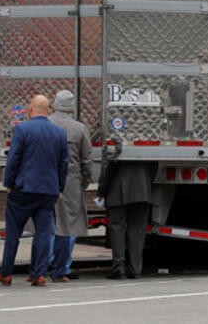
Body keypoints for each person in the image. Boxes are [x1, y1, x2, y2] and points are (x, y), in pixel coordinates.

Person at [0, 95, 68, 287]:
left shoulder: (22, 129)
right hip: (48, 191)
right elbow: (63, 164)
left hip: (23, 190)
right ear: (48, 109)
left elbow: (14, 158)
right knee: (43, 233)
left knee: (13, 232)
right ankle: (38, 274)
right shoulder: (59, 133)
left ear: (30, 109)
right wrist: (59, 187)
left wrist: (8, 183)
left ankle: (6, 273)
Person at [48, 90, 93, 282]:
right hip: (71, 181)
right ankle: (63, 265)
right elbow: (87, 160)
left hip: (46, 180)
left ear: (54, 105)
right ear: (72, 107)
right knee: (69, 224)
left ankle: (46, 261)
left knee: (47, 224)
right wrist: (85, 181)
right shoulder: (79, 129)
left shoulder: (45, 124)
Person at [96, 141, 152, 279]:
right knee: (137, 230)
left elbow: (107, 171)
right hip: (142, 191)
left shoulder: (116, 145)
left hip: (118, 192)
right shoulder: (147, 145)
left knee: (117, 228)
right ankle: (135, 269)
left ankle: (119, 268)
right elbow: (153, 168)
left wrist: (101, 192)